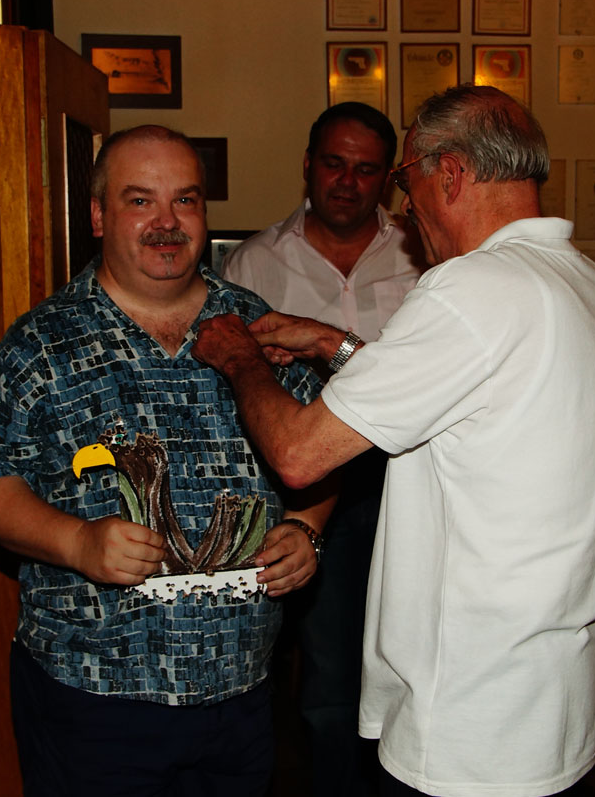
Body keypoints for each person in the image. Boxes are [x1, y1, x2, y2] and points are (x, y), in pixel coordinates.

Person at [193, 86, 595, 797]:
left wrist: (240, 358)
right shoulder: (592, 285)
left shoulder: (470, 288)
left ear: (451, 174)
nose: (405, 207)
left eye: (405, 178)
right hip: (564, 688)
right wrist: (333, 343)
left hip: (473, 707)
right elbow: (461, 395)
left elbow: (300, 454)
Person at [0, 125, 333, 796]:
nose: (167, 222)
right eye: (139, 200)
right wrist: (76, 541)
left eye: (185, 200)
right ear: (99, 215)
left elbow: (326, 443)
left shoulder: (256, 328)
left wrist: (307, 526)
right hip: (95, 700)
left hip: (242, 690)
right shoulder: (43, 343)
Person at [221, 101, 423, 796]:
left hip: (410, 487)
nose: (347, 181)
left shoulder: (422, 258)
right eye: (334, 163)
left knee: (412, 660)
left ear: (387, 180)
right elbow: (231, 384)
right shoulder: (255, 261)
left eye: (366, 170)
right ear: (308, 165)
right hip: (305, 488)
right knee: (330, 673)